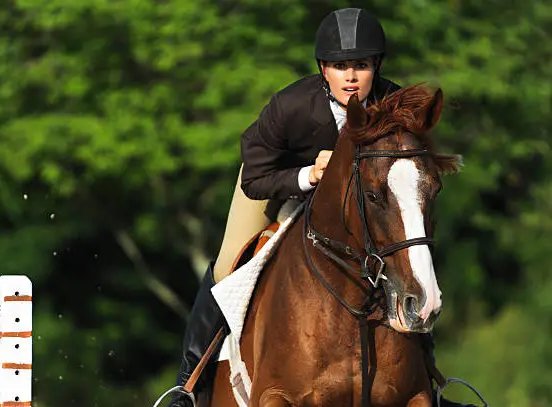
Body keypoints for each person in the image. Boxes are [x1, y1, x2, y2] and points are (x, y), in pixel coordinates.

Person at [170, 8, 473, 407]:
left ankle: (429, 382)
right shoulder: (291, 106)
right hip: (276, 187)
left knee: (407, 269)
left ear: (376, 67)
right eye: (339, 66)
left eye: (361, 66)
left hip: (360, 203)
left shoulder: (391, 103)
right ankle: (189, 386)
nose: (350, 76)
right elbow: (255, 177)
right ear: (323, 69)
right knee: (228, 266)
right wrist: (308, 176)